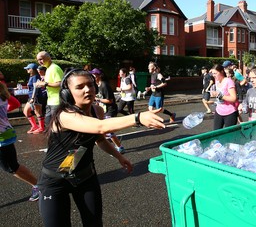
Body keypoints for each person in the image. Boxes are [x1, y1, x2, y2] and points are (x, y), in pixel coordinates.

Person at [37, 69, 165, 226]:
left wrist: (119, 157)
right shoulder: (64, 115)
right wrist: (138, 117)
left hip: (85, 176)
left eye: (90, 85)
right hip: (55, 180)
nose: (87, 90)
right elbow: (100, 127)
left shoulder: (96, 110)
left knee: (94, 223)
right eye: (80, 87)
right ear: (67, 93)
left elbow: (100, 139)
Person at [0, 83, 40, 202]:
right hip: (6, 133)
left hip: (2, 137)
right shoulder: (3, 94)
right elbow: (16, 104)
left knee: (11, 166)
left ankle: (38, 186)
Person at [90, 68, 125, 153]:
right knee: (105, 131)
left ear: (99, 76)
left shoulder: (104, 85)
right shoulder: (97, 85)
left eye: (94, 75)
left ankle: (119, 147)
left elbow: (110, 100)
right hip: (103, 110)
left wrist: (98, 99)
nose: (93, 76)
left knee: (108, 131)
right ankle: (117, 146)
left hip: (110, 110)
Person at [35, 51, 64, 125]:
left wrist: (45, 84)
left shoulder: (54, 68)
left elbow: (60, 83)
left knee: (55, 125)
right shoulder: (48, 68)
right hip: (50, 101)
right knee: (48, 123)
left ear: (48, 58)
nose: (39, 62)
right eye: (38, 60)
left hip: (57, 101)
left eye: (41, 59)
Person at [210, 64, 238, 129]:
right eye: (213, 73)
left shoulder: (228, 81)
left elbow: (234, 98)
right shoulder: (217, 81)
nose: (214, 75)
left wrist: (220, 96)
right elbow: (218, 96)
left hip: (229, 112)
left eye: (215, 73)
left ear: (222, 72)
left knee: (228, 135)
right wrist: (214, 95)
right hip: (219, 110)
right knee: (216, 133)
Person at [23, 63, 45, 134]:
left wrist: (33, 97)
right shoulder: (32, 76)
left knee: (38, 112)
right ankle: (35, 126)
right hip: (31, 96)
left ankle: (41, 128)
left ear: (32, 69)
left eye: (28, 68)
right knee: (26, 111)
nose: (27, 70)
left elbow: (36, 88)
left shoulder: (35, 76)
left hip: (36, 96)